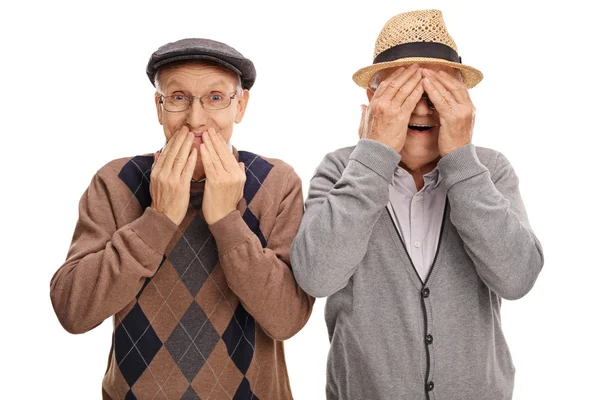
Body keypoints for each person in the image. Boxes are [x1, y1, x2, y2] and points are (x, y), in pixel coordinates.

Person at [290, 9, 543, 400]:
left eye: (438, 93)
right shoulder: (342, 168)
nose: (423, 108)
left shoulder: (488, 170)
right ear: (374, 98)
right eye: (404, 93)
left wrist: (461, 157)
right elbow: (316, 276)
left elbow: (517, 278)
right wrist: (373, 154)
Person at [50, 38, 313, 399]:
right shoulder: (116, 181)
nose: (196, 118)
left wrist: (226, 220)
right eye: (178, 98)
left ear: (241, 106)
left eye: (216, 97)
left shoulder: (276, 182)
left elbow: (287, 318)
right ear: (159, 108)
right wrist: (157, 218)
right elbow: (72, 310)